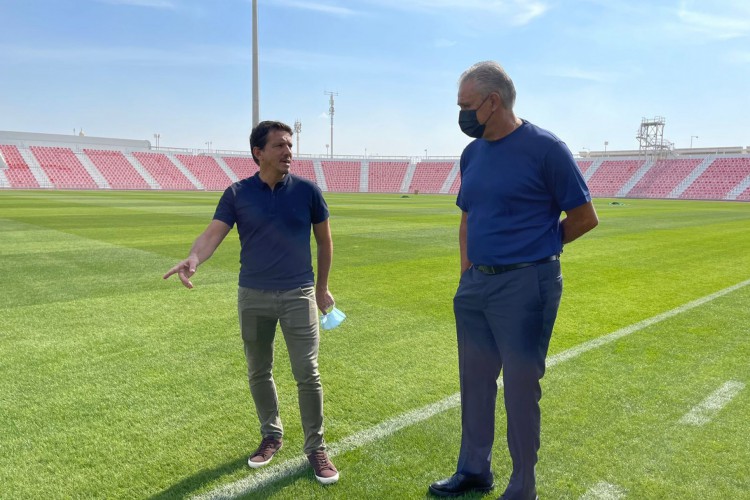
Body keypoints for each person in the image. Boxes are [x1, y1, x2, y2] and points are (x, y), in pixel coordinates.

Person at [429, 61, 599, 499]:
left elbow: (584, 217)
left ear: (493, 101)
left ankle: (523, 485)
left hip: (528, 284)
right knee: (475, 381)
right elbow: (468, 218)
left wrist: (539, 246)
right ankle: (474, 469)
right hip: (476, 285)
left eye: (466, 105)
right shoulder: (473, 154)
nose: (461, 114)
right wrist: (466, 274)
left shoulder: (545, 148)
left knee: (521, 386)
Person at [163, 120, 339, 485]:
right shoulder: (237, 193)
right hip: (253, 295)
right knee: (259, 370)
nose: (288, 151)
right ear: (258, 152)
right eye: (279, 146)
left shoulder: (308, 192)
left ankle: (315, 447)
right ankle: (272, 434)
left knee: (307, 373)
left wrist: (321, 289)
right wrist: (194, 258)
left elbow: (324, 242)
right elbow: (213, 233)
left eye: (290, 145)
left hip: (298, 294)